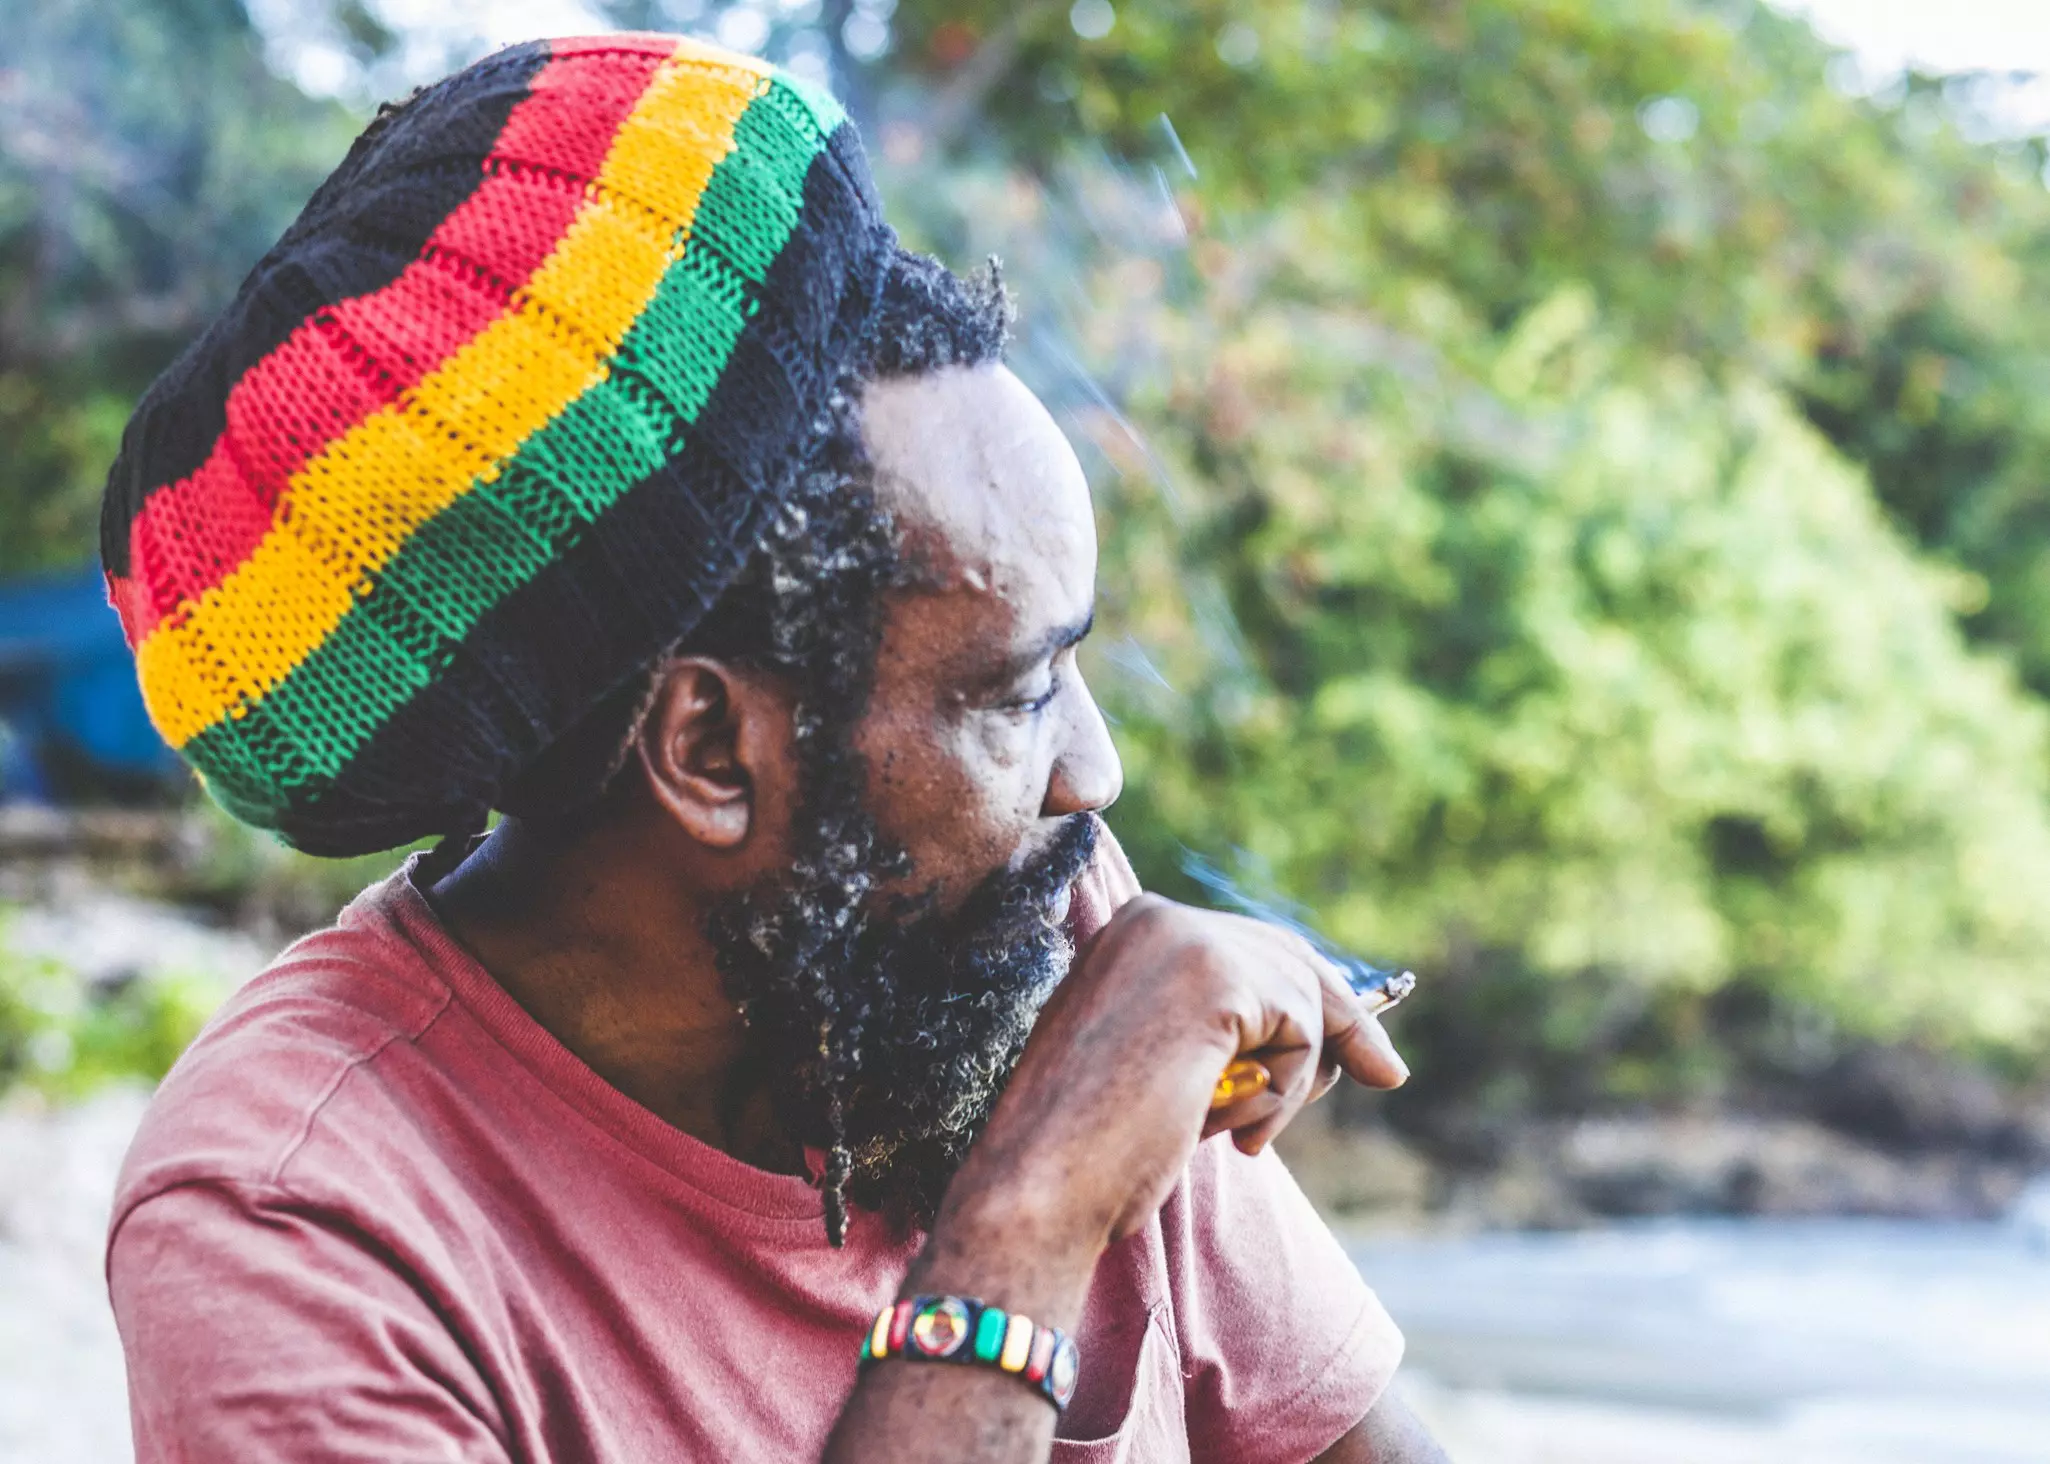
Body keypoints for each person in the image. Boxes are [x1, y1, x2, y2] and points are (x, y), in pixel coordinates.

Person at [100, 33, 1446, 1463]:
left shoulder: (1015, 946)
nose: (1090, 779)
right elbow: (1045, 1206)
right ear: (710, 753)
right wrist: (1030, 1222)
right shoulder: (299, 1222)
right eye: (1016, 690)